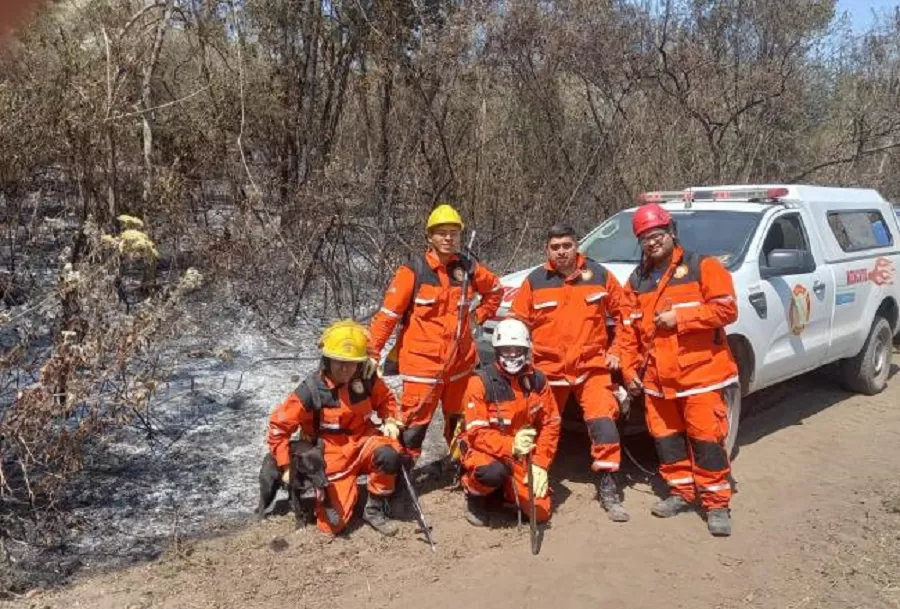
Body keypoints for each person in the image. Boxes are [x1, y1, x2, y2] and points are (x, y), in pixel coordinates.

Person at [618, 203, 739, 537]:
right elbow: (627, 331)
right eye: (645, 239)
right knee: (667, 440)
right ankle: (681, 492)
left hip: (700, 375)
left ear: (671, 233)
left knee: (706, 440)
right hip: (657, 379)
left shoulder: (703, 266)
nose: (652, 243)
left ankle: (716, 504)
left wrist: (682, 318)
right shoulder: (637, 279)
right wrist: (629, 373)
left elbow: (727, 310)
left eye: (656, 235)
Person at [508, 222, 632, 522]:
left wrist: (617, 352)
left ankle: (608, 483)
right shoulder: (536, 280)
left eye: (567, 245)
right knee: (538, 425)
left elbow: (626, 316)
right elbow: (515, 324)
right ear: (546, 250)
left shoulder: (600, 275)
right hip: (548, 370)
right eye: (555, 247)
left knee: (603, 422)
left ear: (577, 246)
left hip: (592, 368)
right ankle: (533, 479)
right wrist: (523, 365)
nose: (561, 252)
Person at [368, 203, 503, 466]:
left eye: (453, 232)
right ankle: (401, 475)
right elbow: (387, 316)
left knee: (462, 421)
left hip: (461, 366)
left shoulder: (468, 268)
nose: (448, 238)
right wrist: (373, 352)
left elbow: (495, 291)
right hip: (422, 368)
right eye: (441, 232)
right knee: (413, 426)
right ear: (430, 236)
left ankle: (463, 467)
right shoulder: (413, 271)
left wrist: (478, 317)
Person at [266, 319, 404, 537]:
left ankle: (375, 507)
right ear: (326, 360)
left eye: (352, 362)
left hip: (364, 441)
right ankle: (333, 498)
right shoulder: (310, 391)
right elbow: (278, 428)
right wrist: (285, 466)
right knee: (332, 525)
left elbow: (388, 400)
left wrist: (390, 419)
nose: (345, 369)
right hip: (330, 453)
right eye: (339, 361)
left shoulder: (366, 380)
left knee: (390, 453)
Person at [458, 318, 561, 526]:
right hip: (484, 449)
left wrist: (540, 464)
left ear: (527, 350)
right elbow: (476, 434)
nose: (512, 355)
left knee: (540, 513)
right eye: (506, 350)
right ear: (497, 351)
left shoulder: (537, 381)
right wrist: (510, 445)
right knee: (492, 472)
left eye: (517, 349)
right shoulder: (480, 382)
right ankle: (475, 494)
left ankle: (505, 492)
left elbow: (552, 423)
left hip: (520, 452)